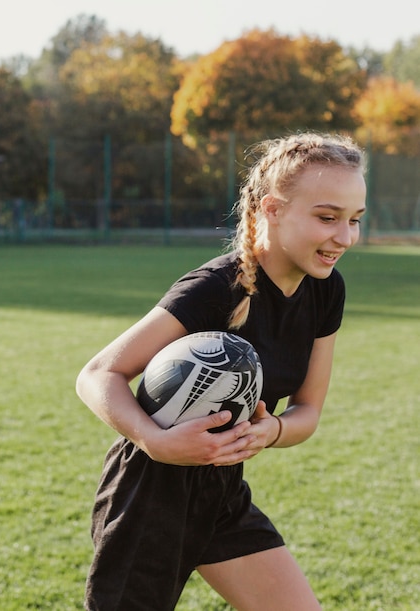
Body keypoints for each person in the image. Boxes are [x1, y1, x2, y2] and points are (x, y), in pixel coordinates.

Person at [75, 132, 367, 611]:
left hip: (223, 494)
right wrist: (156, 440)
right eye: (327, 217)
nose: (345, 237)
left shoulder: (325, 290)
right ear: (272, 209)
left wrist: (271, 430)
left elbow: (308, 410)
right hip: (150, 495)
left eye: (354, 220)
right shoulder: (214, 289)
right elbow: (98, 374)